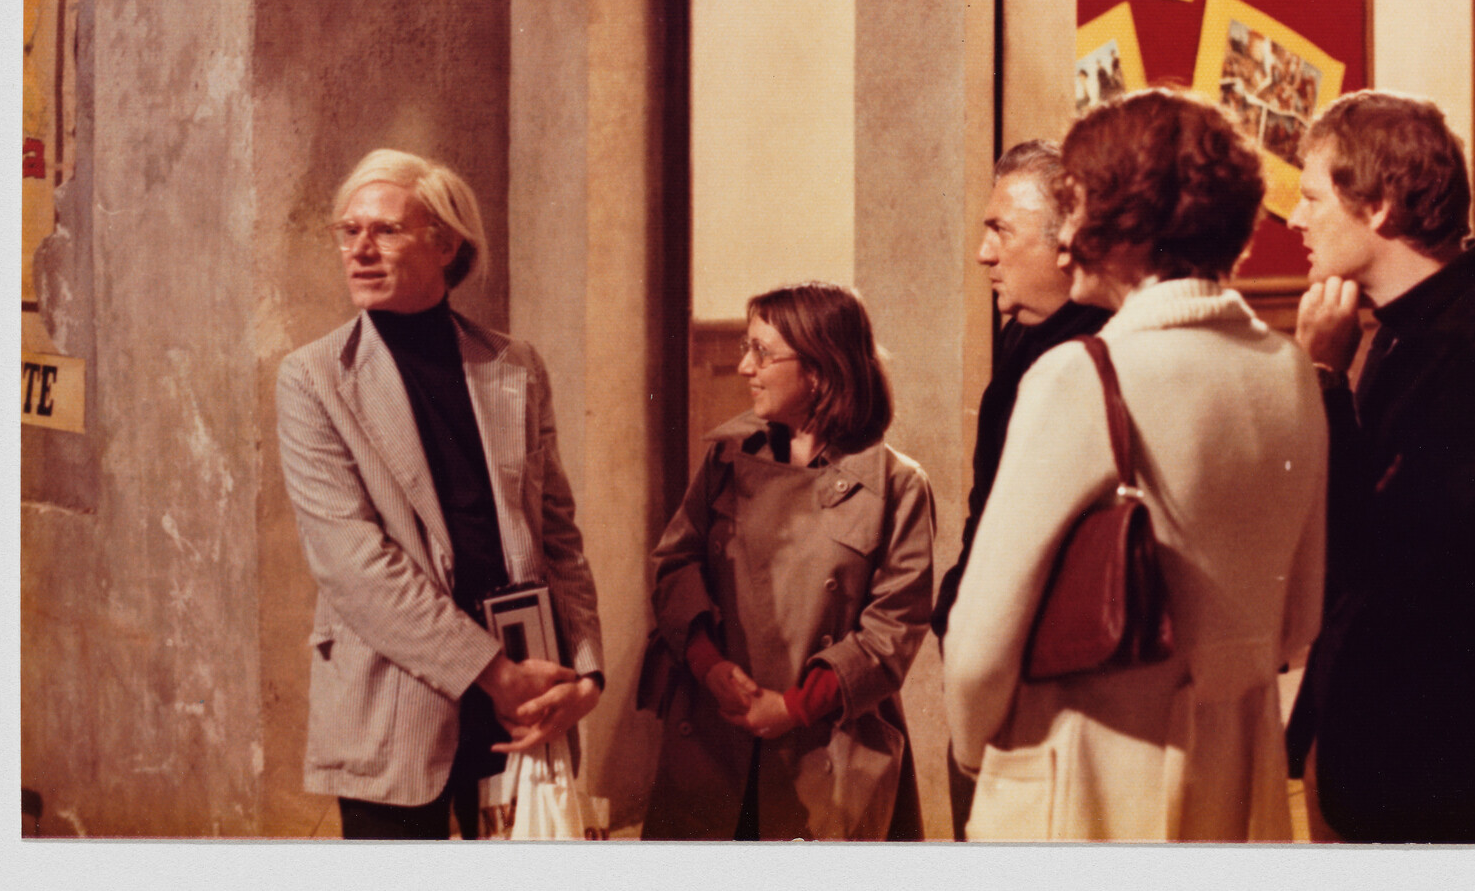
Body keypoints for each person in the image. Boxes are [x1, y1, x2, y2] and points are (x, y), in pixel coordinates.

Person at [944, 89, 1327, 840]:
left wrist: (972, 751)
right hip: (1235, 783)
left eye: (1080, 206)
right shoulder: (1289, 369)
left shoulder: (1082, 375)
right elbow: (1298, 620)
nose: (1068, 235)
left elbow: (978, 648)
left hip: (1087, 782)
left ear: (1126, 226)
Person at [276, 149, 603, 839]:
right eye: (348, 229)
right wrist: (491, 672)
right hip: (398, 695)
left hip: (525, 691)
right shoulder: (313, 380)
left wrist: (586, 673)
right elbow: (353, 563)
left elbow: (559, 536)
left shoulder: (514, 365)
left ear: (446, 242)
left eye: (385, 230)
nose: (359, 249)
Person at [1283, 91, 1475, 843]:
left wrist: (1323, 379)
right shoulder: (1404, 324)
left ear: (1382, 206)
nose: (1294, 219)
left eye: (1310, 196)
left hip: (1434, 768)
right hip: (1371, 742)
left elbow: (1390, 557)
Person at [640, 282, 934, 840]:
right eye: (746, 348)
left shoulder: (898, 486)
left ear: (820, 369)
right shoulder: (725, 459)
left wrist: (794, 707)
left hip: (827, 748)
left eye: (763, 352)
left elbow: (894, 626)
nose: (745, 367)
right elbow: (676, 566)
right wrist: (709, 666)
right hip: (715, 732)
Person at [930, 140, 1109, 839]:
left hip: (1047, 693)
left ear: (1066, 241)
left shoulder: (1091, 353)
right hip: (997, 667)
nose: (982, 252)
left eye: (1000, 229)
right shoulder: (1024, 335)